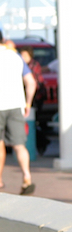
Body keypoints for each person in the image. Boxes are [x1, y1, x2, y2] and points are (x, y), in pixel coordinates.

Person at [0, 29, 36, 195]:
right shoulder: (16, 57)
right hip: (16, 105)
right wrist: (27, 103)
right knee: (20, 145)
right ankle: (27, 177)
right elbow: (31, 82)